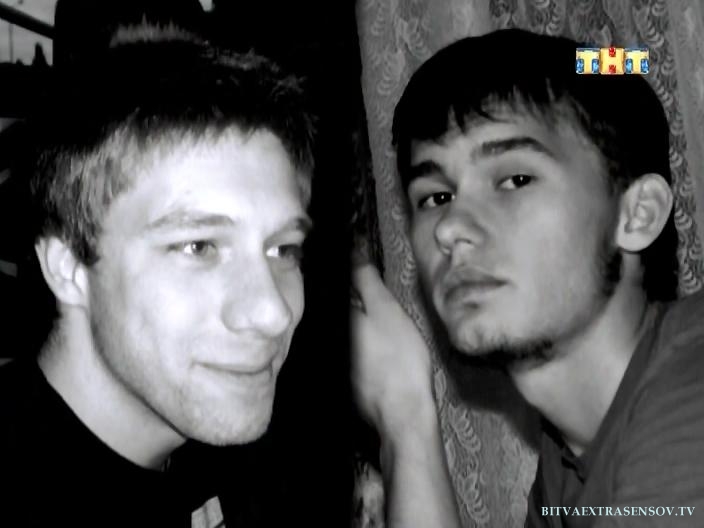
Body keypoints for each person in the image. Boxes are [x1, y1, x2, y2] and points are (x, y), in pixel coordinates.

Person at [351, 28, 704, 527]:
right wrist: (404, 409)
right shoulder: (566, 468)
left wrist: (404, 417)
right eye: (436, 197)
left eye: (515, 180)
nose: (449, 228)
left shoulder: (690, 400)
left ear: (637, 214)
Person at [0, 30, 316, 527]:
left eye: (283, 249)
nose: (274, 312)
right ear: (69, 268)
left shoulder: (237, 445)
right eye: (199, 247)